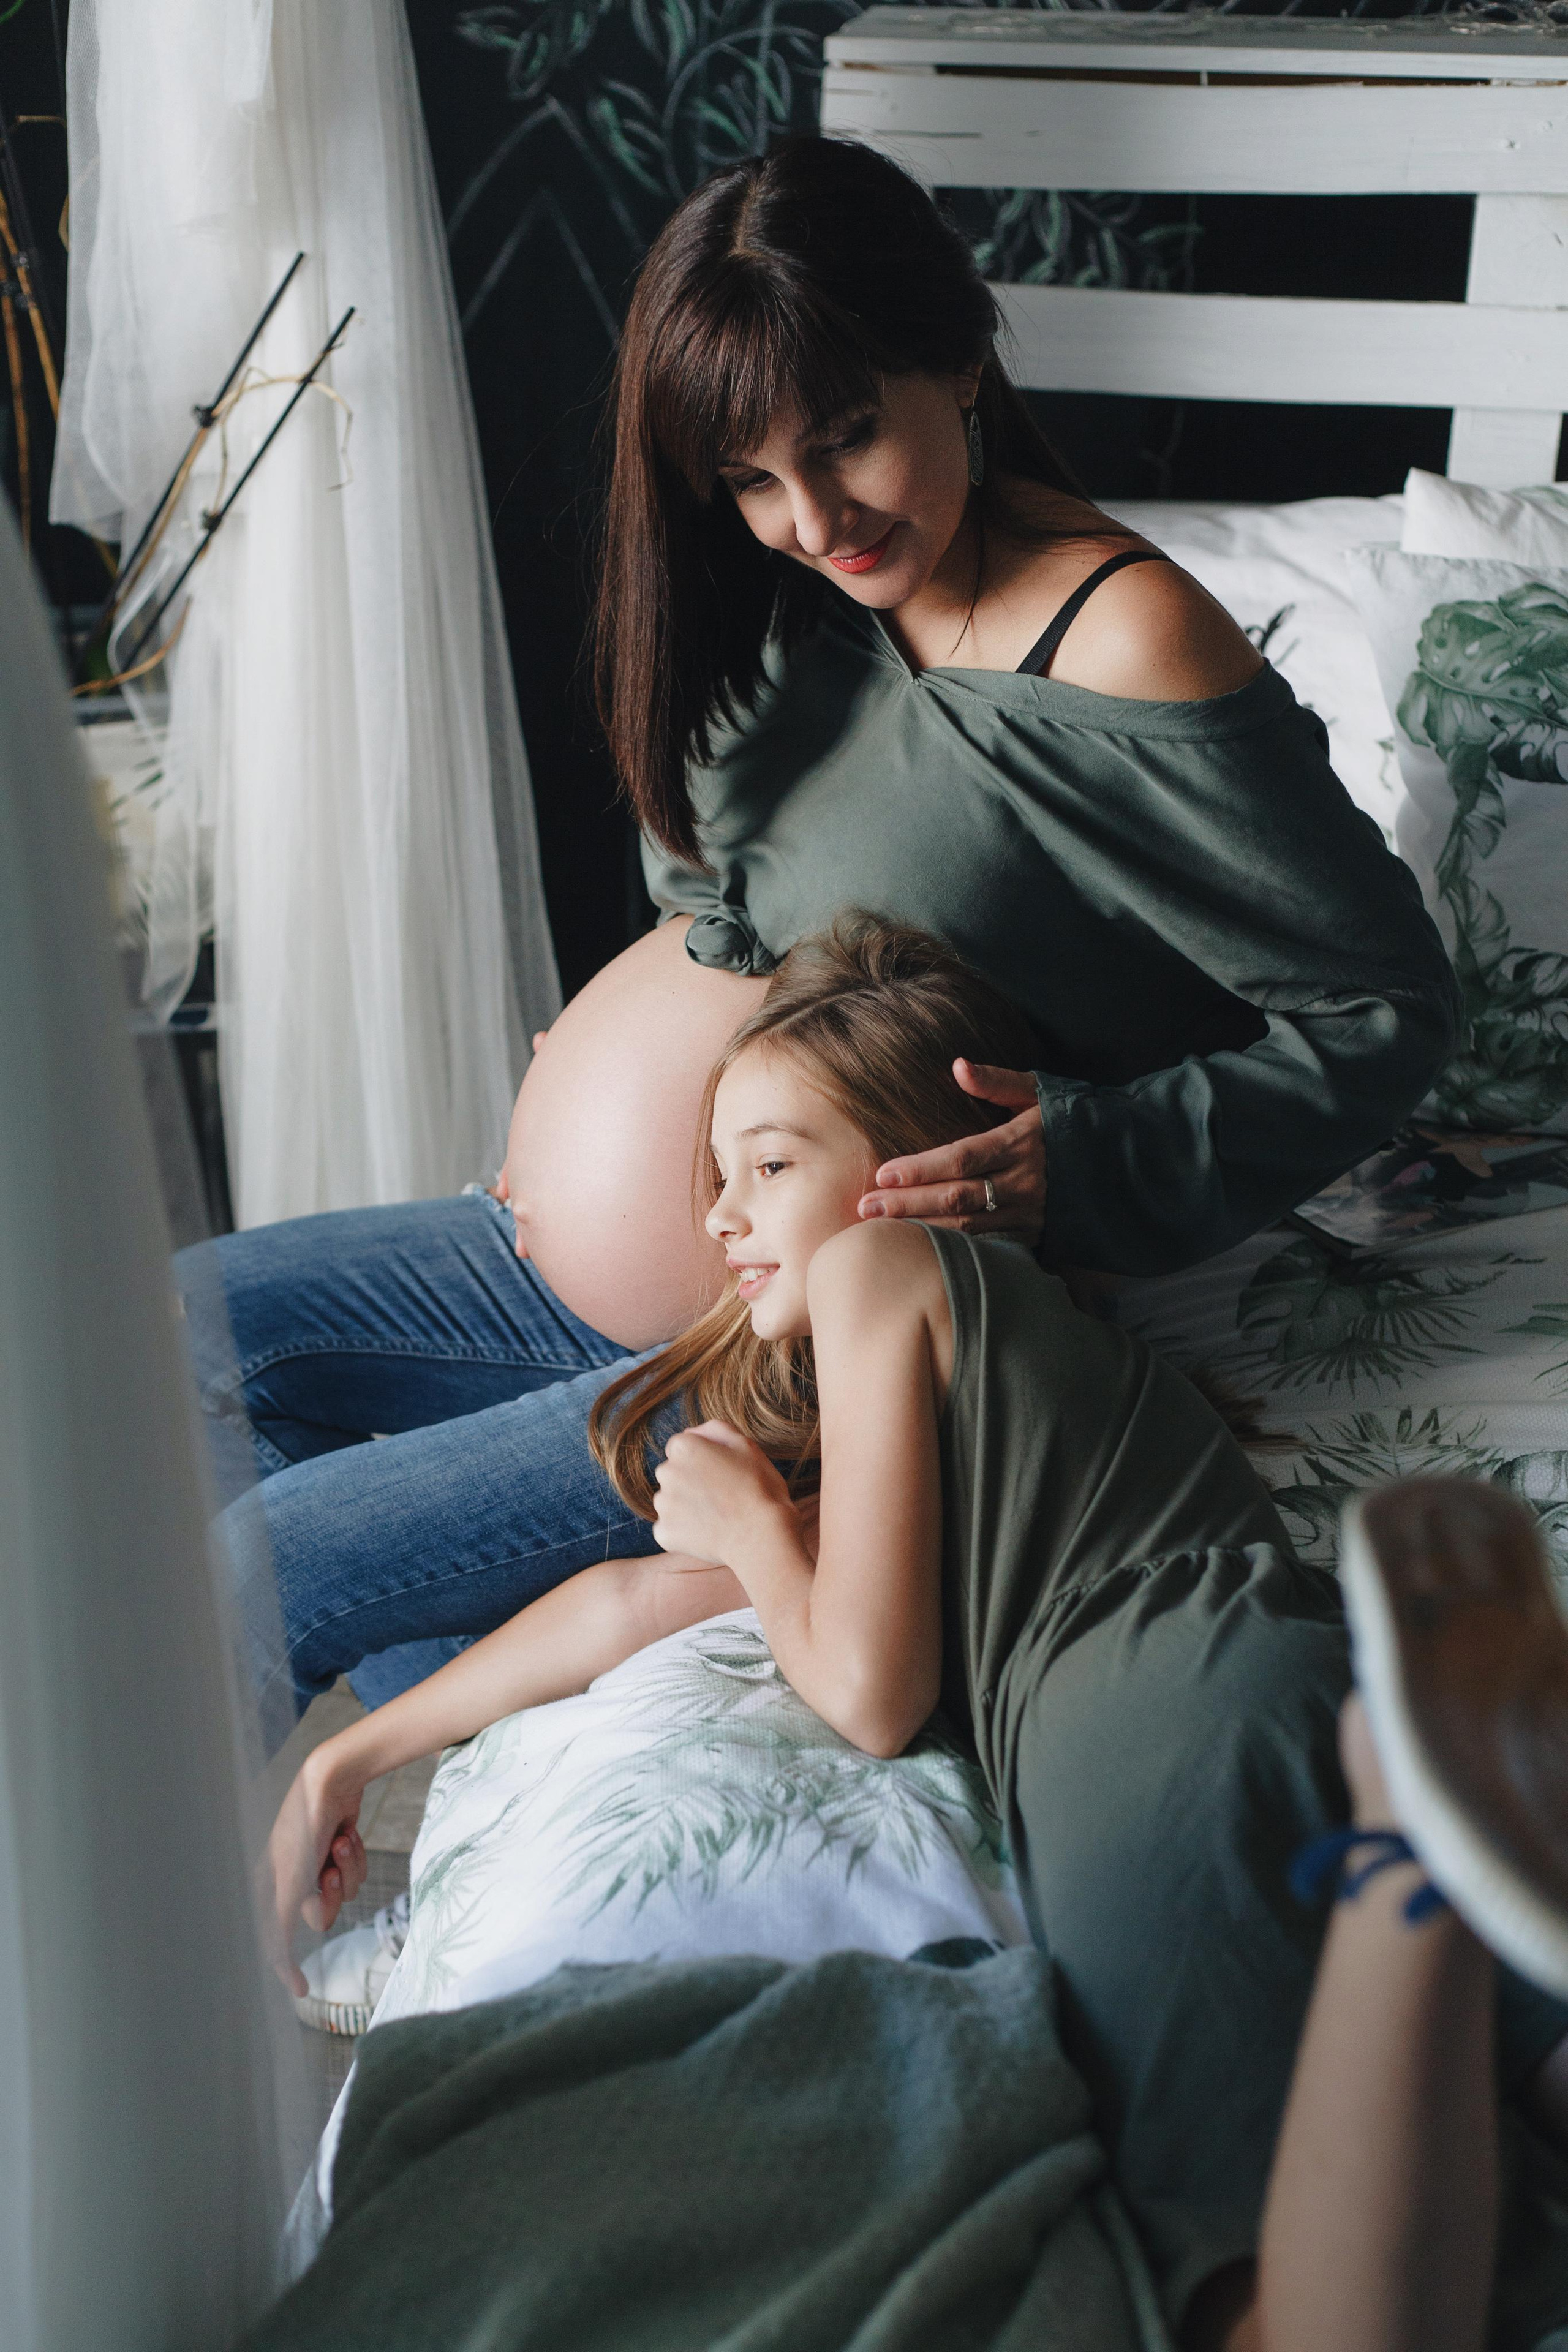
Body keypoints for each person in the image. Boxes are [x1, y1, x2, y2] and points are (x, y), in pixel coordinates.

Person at [184, 134, 1459, 1733]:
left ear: (963, 357)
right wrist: (595, 1082)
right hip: (623, 1240)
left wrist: (1089, 1155)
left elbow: (1383, 1011)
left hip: (815, 1334)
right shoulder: (787, 598)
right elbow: (743, 894)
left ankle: (175, 1950)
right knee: (186, 1341)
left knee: (250, 1574)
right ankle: (445, 1749)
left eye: (850, 440)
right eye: (752, 478)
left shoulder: (1119, 640)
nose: (814, 515)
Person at [266, 921, 1565, 2351]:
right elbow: (635, 1605)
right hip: (1224, 1674)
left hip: (1148, 1725)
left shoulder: (881, 1275)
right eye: (720, 1176)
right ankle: (1423, 1832)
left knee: (1252, 2305)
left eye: (768, 1166)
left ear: (901, 1176)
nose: (719, 1218)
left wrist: (757, 1534)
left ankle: (1404, 1826)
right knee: (1455, 2181)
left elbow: (869, 1697)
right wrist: (353, 1760)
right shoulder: (989, 1376)